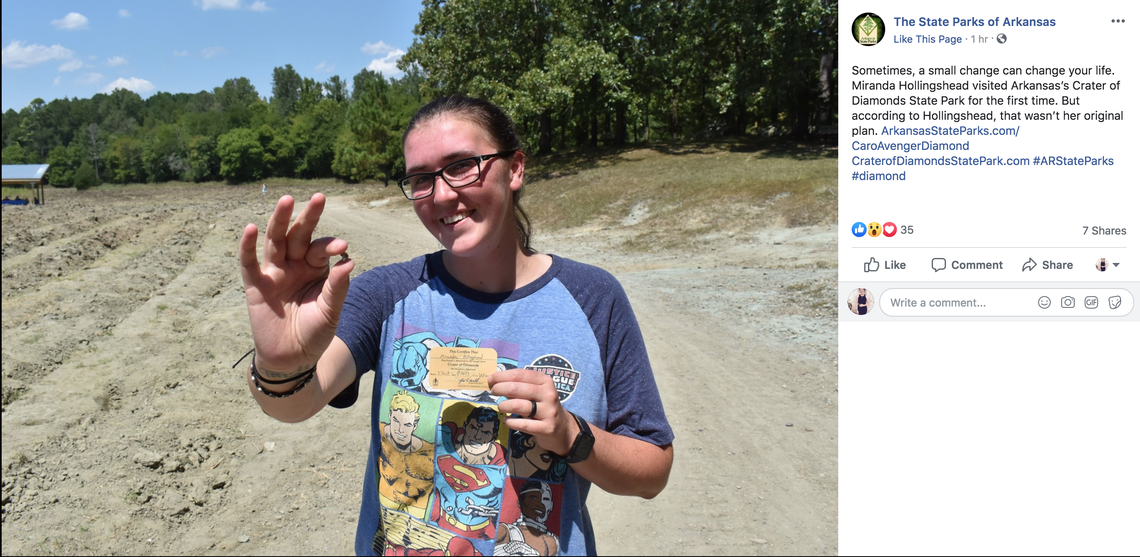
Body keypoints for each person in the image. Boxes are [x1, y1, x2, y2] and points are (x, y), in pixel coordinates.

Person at [238, 95, 673, 556]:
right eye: (421, 179)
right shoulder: (386, 295)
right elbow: (294, 405)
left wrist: (569, 434)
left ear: (515, 169)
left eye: (463, 166)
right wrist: (279, 364)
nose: (442, 195)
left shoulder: (593, 298)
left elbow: (652, 472)